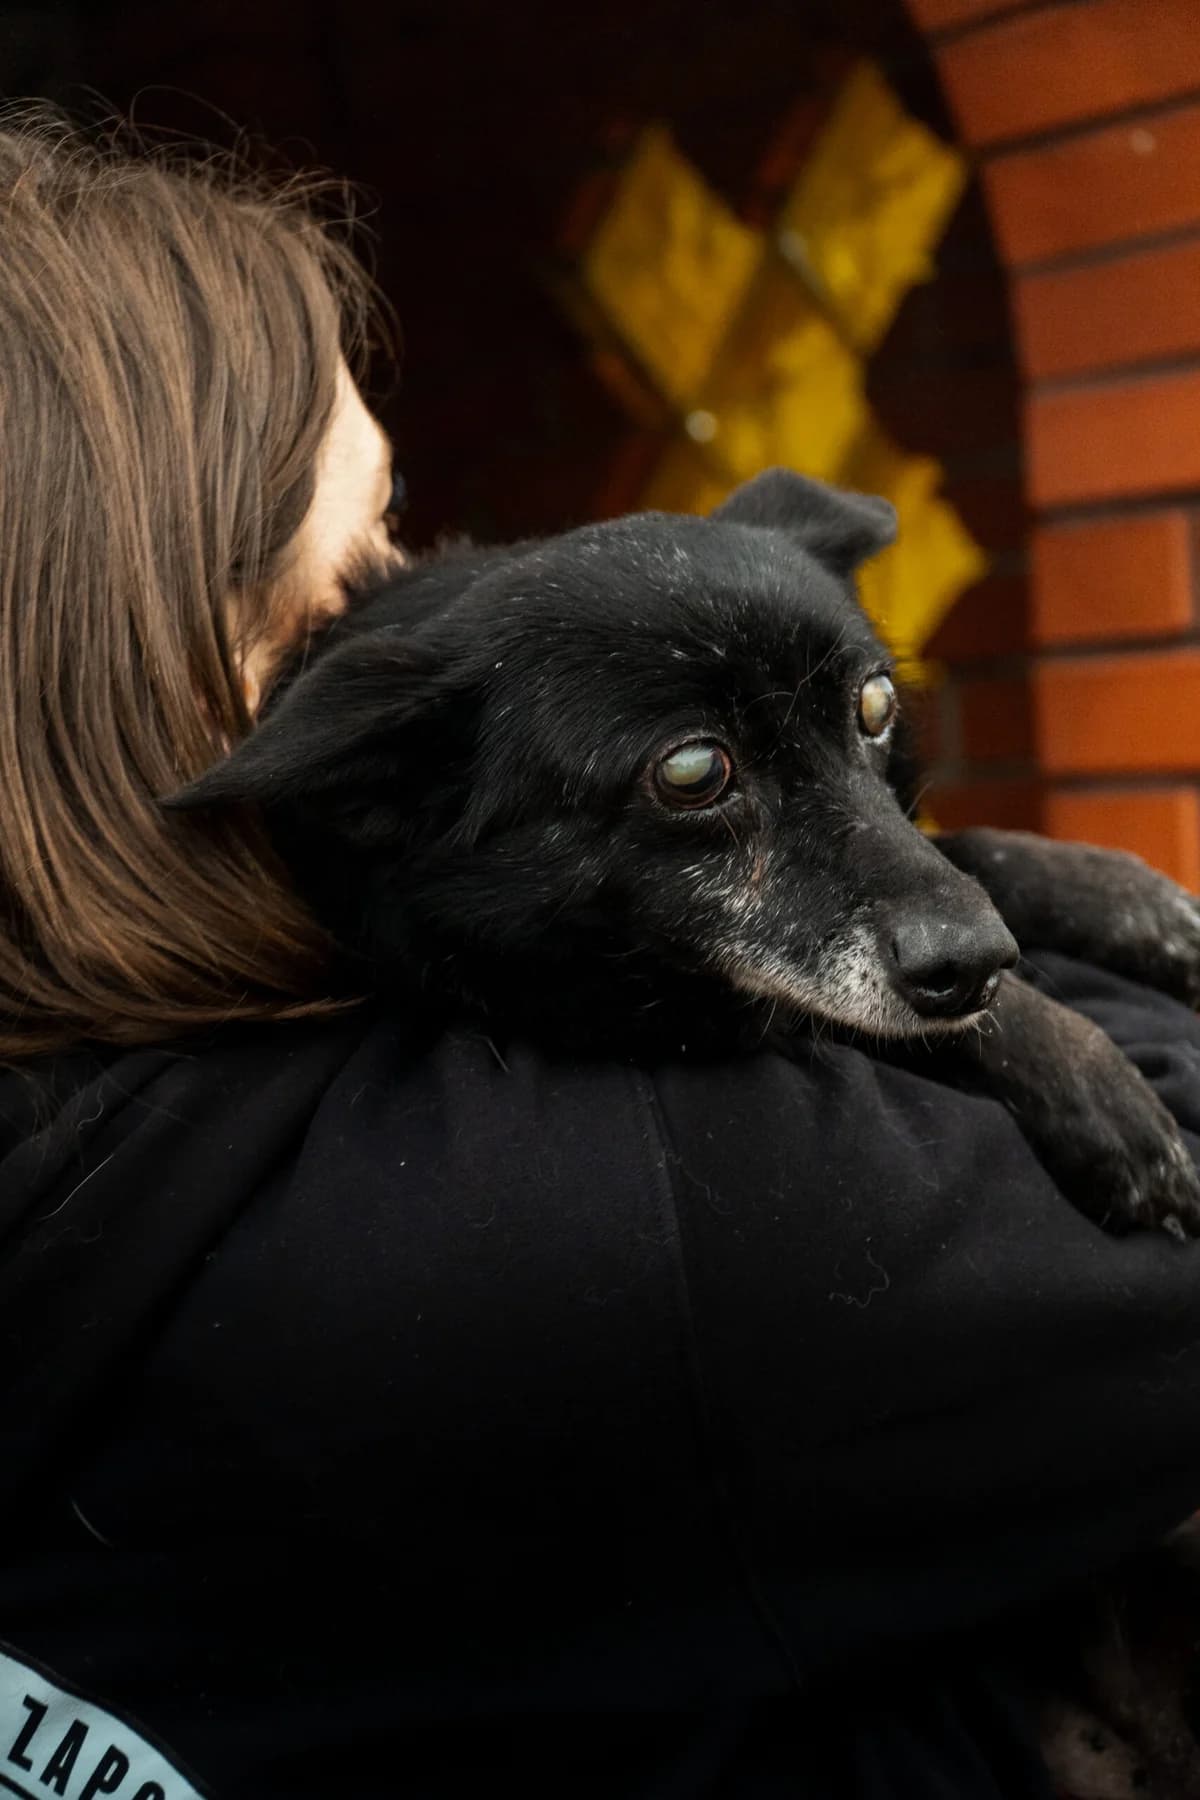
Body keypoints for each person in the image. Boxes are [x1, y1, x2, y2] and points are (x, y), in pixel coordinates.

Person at [0, 112, 1198, 1800]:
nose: (432, 582)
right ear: (164, 671)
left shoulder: (100, 1154)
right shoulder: (593, 1210)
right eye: (362, 560)